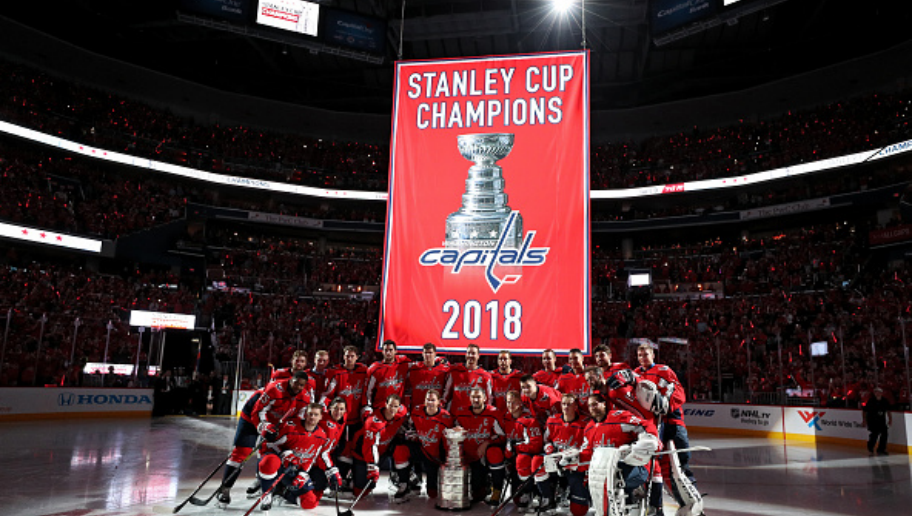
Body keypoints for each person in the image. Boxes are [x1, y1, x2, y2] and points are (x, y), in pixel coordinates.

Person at [217, 370, 311, 508]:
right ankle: (225, 489)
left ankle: (263, 485)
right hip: (251, 417)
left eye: (301, 385)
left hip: (276, 424)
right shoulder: (275, 389)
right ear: (291, 380)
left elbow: (297, 419)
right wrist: (264, 427)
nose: (298, 387)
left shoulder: (305, 397)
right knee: (241, 453)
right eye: (296, 383)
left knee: (268, 454)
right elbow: (258, 410)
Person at [633, 343, 699, 516]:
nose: (643, 358)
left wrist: (666, 405)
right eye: (639, 355)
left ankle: (693, 501)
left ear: (653, 355)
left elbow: (679, 393)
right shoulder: (636, 374)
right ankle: (656, 506)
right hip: (653, 426)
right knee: (654, 466)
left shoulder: (664, 370)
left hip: (673, 423)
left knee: (681, 463)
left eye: (645, 354)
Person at [577, 393, 660, 516]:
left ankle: (635, 493)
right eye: (590, 406)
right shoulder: (589, 428)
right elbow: (587, 453)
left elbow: (645, 426)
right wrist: (574, 459)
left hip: (633, 467)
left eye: (595, 404)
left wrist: (648, 440)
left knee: (615, 478)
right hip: (605, 471)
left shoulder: (619, 417)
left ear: (604, 404)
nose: (592, 408)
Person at [255, 403, 338, 511]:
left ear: (321, 417)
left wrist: (303, 473)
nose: (312, 417)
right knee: (269, 462)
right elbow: (268, 444)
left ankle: (282, 493)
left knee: (310, 503)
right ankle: (266, 494)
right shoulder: (290, 427)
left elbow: (311, 458)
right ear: (305, 415)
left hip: (294, 470)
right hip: (279, 466)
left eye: (316, 415)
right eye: (310, 414)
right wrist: (284, 453)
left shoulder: (321, 436)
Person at [320, 345, 369, 484]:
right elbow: (328, 394)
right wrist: (323, 407)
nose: (349, 358)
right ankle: (339, 477)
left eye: (352, 356)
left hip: (357, 420)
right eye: (347, 355)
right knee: (340, 449)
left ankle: (353, 477)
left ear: (357, 357)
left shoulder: (364, 371)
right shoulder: (336, 373)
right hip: (340, 420)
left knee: (355, 449)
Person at [452, 386, 507, 505]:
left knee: (495, 452)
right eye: (473, 397)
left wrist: (487, 443)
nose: (475, 400)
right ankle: (483, 485)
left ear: (485, 398)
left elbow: (502, 436)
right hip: (470, 456)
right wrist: (456, 430)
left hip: (485, 455)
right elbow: (454, 432)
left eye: (478, 397)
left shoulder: (493, 413)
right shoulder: (461, 413)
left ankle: (497, 490)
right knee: (477, 495)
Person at [350, 393, 410, 499]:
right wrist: (372, 466)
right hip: (363, 452)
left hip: (383, 450)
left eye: (396, 406)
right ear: (385, 404)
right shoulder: (373, 422)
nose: (392, 409)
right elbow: (369, 446)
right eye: (390, 405)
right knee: (361, 491)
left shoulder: (402, 413)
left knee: (401, 449)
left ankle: (403, 482)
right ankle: (351, 477)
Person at [543, 393, 588, 515]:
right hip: (556, 458)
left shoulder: (585, 424)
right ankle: (549, 498)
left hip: (575, 461)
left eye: (569, 404)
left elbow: (588, 446)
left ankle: (570, 490)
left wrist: (574, 454)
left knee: (578, 511)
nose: (566, 407)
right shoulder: (552, 421)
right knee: (540, 463)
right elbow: (546, 440)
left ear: (575, 406)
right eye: (563, 404)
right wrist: (549, 447)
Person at [406, 389, 453, 499]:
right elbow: (409, 428)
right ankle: (407, 481)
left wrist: (444, 459)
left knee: (432, 494)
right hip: (420, 448)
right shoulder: (417, 411)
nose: (430, 402)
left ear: (439, 402)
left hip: (434, 455)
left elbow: (448, 440)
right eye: (428, 399)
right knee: (400, 450)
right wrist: (412, 435)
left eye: (433, 400)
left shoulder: (446, 417)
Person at [502, 390, 545, 511]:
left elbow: (536, 445)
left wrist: (516, 446)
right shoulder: (505, 418)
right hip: (511, 457)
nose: (511, 406)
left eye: (514, 403)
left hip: (527, 458)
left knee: (523, 459)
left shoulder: (530, 420)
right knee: (516, 500)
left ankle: (530, 491)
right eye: (508, 402)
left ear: (520, 403)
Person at [364, 340, 411, 416]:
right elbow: (368, 391)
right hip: (380, 407)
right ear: (382, 351)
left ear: (395, 351)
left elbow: (420, 366)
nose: (388, 353)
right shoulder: (375, 369)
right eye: (386, 350)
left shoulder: (404, 364)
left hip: (398, 408)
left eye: (390, 350)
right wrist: (368, 406)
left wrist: (436, 359)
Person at [444, 343, 493, 413]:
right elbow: (446, 394)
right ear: (465, 354)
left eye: (473, 353)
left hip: (475, 416)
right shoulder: (455, 371)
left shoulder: (485, 375)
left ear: (478, 356)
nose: (470, 356)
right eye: (469, 353)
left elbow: (489, 399)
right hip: (456, 415)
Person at [406, 343, 449, 412]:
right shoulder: (414, 369)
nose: (428, 355)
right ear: (422, 354)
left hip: (436, 409)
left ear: (435, 354)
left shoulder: (444, 370)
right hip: (417, 408)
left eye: (430, 352)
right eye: (426, 352)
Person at [557, 349, 591, 418]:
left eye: (575, 358)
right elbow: (557, 396)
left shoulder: (591, 374)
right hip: (574, 419)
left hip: (592, 415)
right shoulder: (563, 378)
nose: (572, 361)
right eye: (570, 359)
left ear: (582, 358)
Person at [863, 387, 892, 456]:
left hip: (881, 421)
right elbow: (865, 411)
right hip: (872, 421)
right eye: (876, 392)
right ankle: (870, 448)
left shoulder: (884, 401)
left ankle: (881, 449)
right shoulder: (871, 401)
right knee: (874, 435)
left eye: (878, 392)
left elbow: (888, 411)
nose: (877, 393)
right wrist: (864, 420)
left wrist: (890, 419)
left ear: (881, 393)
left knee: (884, 434)